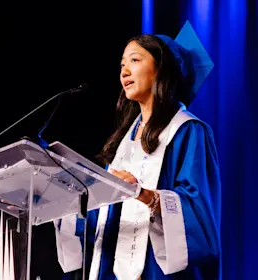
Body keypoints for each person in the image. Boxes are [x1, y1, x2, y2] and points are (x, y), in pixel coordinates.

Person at [54, 21, 221, 280]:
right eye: (122, 64)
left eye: (134, 60)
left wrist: (144, 195)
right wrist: (67, 200)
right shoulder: (123, 140)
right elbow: (106, 216)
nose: (124, 71)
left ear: (161, 69)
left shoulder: (188, 131)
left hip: (156, 269)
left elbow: (197, 210)